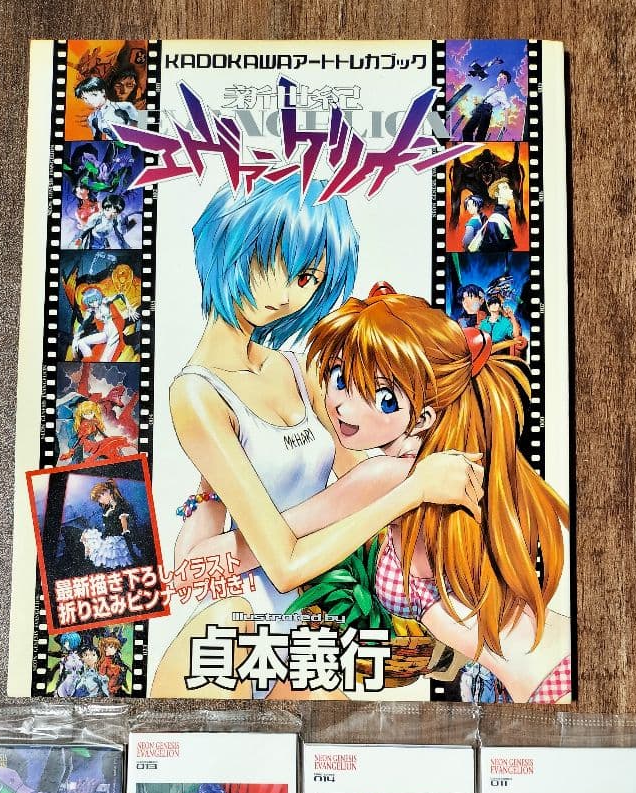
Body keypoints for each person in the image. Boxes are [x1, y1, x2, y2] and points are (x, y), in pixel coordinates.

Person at [152, 175, 483, 698]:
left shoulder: (298, 368)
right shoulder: (197, 394)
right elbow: (282, 563)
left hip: (317, 621)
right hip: (240, 620)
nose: (288, 293)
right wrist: (411, 489)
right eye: (273, 261)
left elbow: (357, 487)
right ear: (230, 243)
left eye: (307, 276)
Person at [180, 287, 570, 702]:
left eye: (382, 398)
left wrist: (212, 482)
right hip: (546, 670)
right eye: (340, 379)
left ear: (424, 416)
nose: (343, 407)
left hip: (539, 683)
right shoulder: (449, 466)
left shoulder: (391, 476)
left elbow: (195, 566)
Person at [81, 479, 137, 569]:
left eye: (100, 497)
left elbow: (124, 526)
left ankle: (87, 560)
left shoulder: (121, 506)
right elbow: (107, 526)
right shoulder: (107, 508)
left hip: (116, 541)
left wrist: (128, 540)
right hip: (108, 537)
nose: (100, 501)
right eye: (98, 499)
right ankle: (86, 559)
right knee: (86, 534)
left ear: (107, 491)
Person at [74, 75, 139, 140]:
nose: (88, 101)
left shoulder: (125, 106)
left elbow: (142, 129)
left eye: (93, 95)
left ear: (103, 92)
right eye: (85, 98)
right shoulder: (92, 118)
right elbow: (97, 139)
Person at [462, 69, 512, 141]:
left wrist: (505, 123)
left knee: (480, 136)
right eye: (500, 76)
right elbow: (485, 98)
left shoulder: (502, 94)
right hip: (480, 108)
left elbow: (506, 107)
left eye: (504, 78)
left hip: (487, 111)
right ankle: (469, 145)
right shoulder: (492, 88)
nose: (501, 77)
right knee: (467, 130)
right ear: (497, 78)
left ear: (506, 83)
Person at [470, 177, 516, 253]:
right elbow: (492, 249)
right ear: (497, 194)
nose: (511, 190)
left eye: (509, 188)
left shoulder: (504, 214)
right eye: (505, 188)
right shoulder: (495, 220)